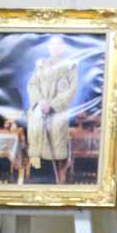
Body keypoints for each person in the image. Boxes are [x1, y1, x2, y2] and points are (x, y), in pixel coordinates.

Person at [27, 34, 78, 184]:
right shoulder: (41, 65)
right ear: (48, 47)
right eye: (52, 44)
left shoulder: (70, 66)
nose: (55, 48)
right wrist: (40, 101)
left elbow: (71, 90)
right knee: (38, 159)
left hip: (57, 116)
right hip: (39, 115)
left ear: (63, 47)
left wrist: (52, 105)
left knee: (56, 157)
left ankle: (57, 186)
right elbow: (32, 84)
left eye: (58, 45)